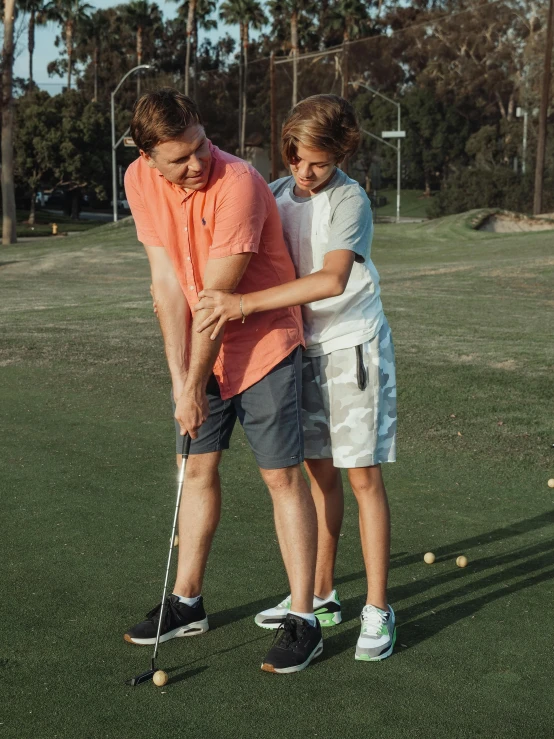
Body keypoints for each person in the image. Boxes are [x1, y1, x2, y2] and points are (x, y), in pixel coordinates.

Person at [123, 88, 323, 675]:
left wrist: (190, 389)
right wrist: (180, 381)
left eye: (200, 145)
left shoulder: (237, 183)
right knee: (197, 467)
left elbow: (215, 300)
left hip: (262, 345)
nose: (197, 163)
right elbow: (166, 287)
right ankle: (188, 602)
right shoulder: (140, 181)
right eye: (179, 158)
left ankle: (304, 618)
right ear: (147, 156)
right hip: (199, 353)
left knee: (281, 476)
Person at [194, 94, 397, 661]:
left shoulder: (349, 200)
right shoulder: (281, 193)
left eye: (318, 164)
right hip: (300, 350)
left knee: (362, 479)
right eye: (296, 160)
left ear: (341, 155)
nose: (304, 174)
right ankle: (323, 594)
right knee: (319, 478)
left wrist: (243, 305)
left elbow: (332, 281)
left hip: (351, 347)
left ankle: (378, 610)